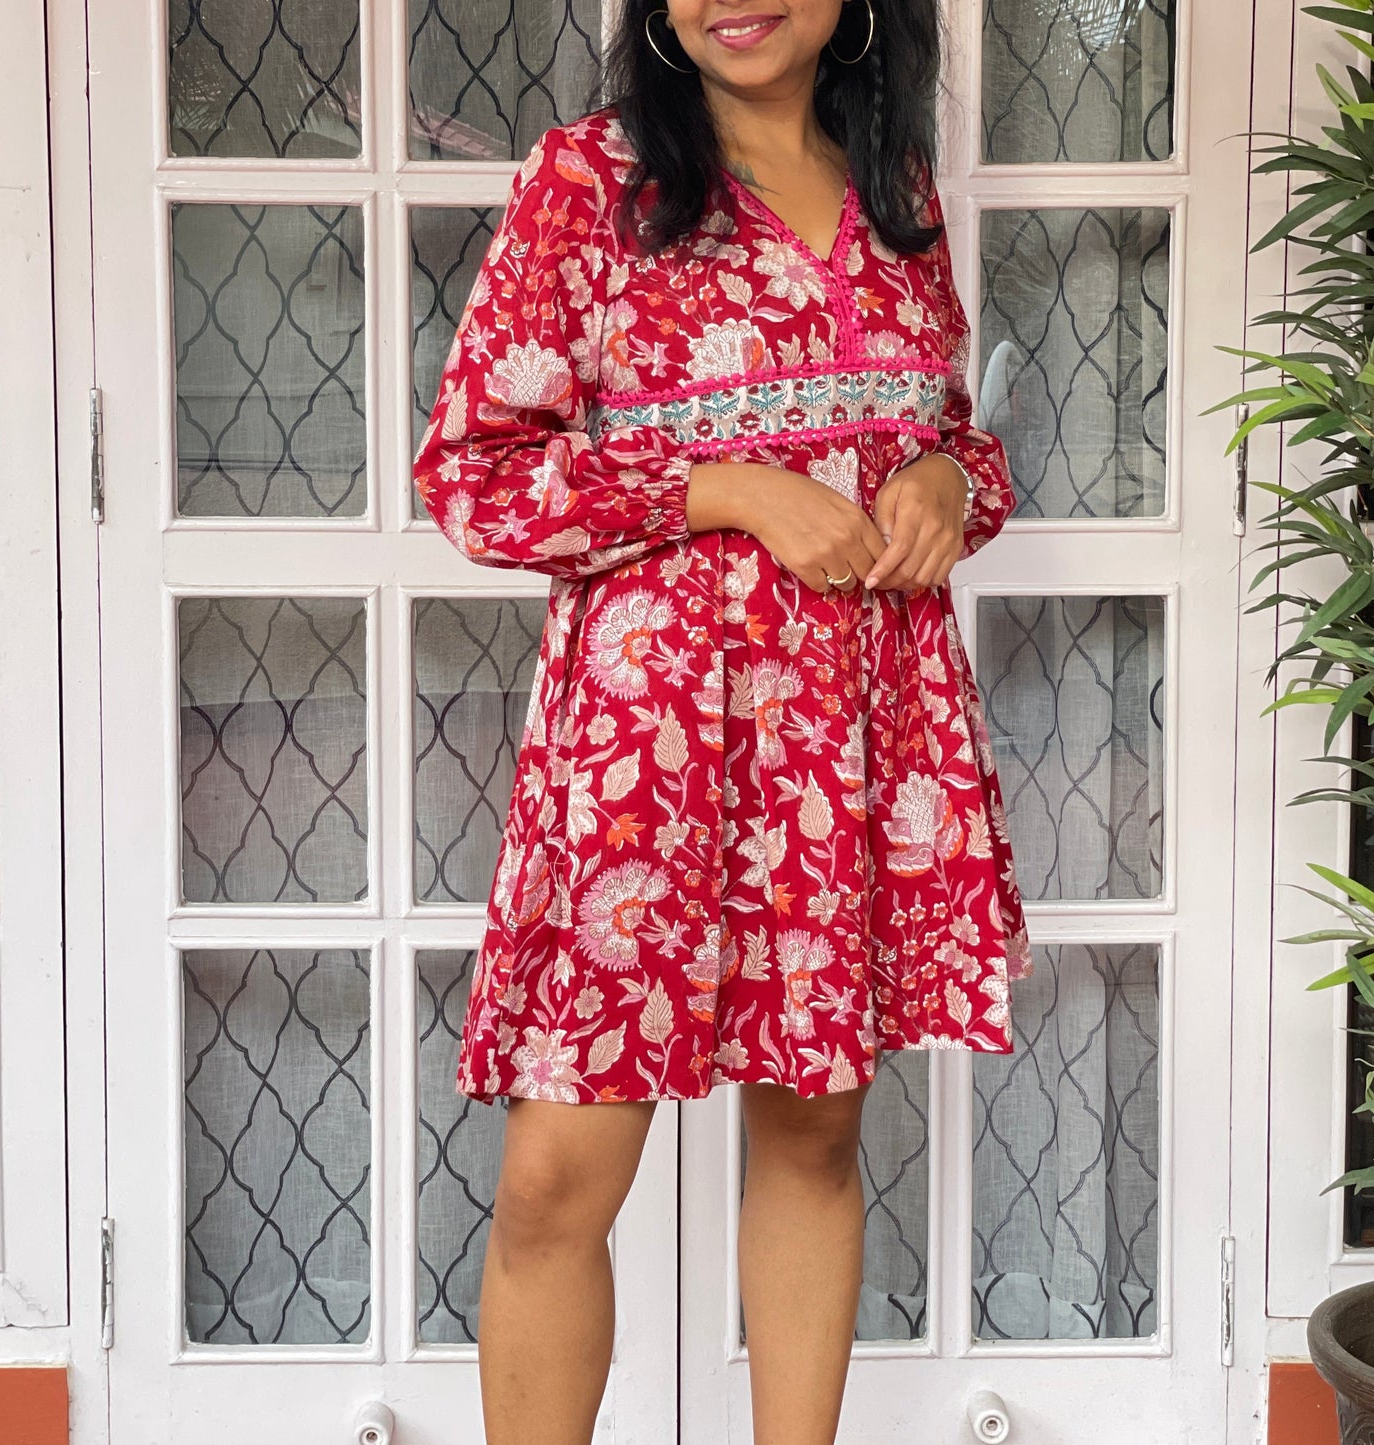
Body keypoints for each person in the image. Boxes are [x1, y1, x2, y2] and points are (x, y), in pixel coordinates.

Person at [413, 0, 1033, 1439]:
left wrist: (946, 482)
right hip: (649, 751)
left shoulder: (897, 190)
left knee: (815, 1134)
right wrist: (732, 489)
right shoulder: (593, 183)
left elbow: (932, 431)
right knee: (558, 1174)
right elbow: (474, 476)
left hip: (853, 731)